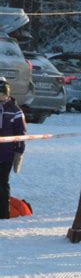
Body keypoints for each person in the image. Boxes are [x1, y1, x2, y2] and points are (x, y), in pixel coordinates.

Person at [0, 77, 26, 219]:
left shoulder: (14, 110)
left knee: (2, 184)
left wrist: (19, 153)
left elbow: (21, 133)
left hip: (6, 156)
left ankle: (3, 214)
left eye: (3, 94)